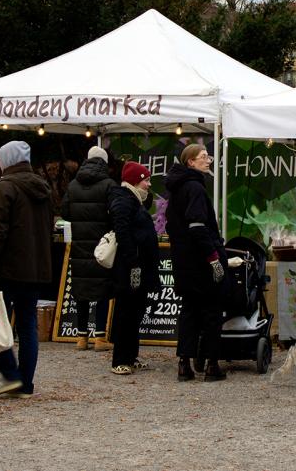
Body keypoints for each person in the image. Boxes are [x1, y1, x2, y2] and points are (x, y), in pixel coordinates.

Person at [0, 140, 55, 399]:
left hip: (7, 268)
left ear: (6, 160)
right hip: (34, 268)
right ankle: (26, 383)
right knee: (27, 325)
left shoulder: (5, 188)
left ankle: (11, 374)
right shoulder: (43, 189)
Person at [165, 143, 228, 382]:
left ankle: (184, 364)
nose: (208, 160)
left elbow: (173, 226)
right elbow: (198, 226)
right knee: (212, 312)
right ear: (190, 162)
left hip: (183, 261)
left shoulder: (177, 189)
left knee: (189, 312)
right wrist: (213, 258)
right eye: (203, 157)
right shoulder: (195, 189)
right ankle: (212, 364)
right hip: (201, 262)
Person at [60, 146, 116, 352]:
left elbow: (65, 211)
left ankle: (81, 337)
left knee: (81, 291)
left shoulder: (73, 184)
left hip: (79, 245)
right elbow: (115, 213)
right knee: (102, 290)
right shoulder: (109, 184)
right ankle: (100, 338)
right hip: (102, 245)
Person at [108, 161, 160, 375]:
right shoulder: (123, 201)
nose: (149, 184)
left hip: (139, 266)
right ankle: (119, 358)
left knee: (136, 310)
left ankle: (131, 355)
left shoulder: (135, 200)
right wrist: (133, 263)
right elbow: (123, 232)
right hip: (129, 268)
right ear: (135, 181)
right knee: (126, 311)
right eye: (146, 180)